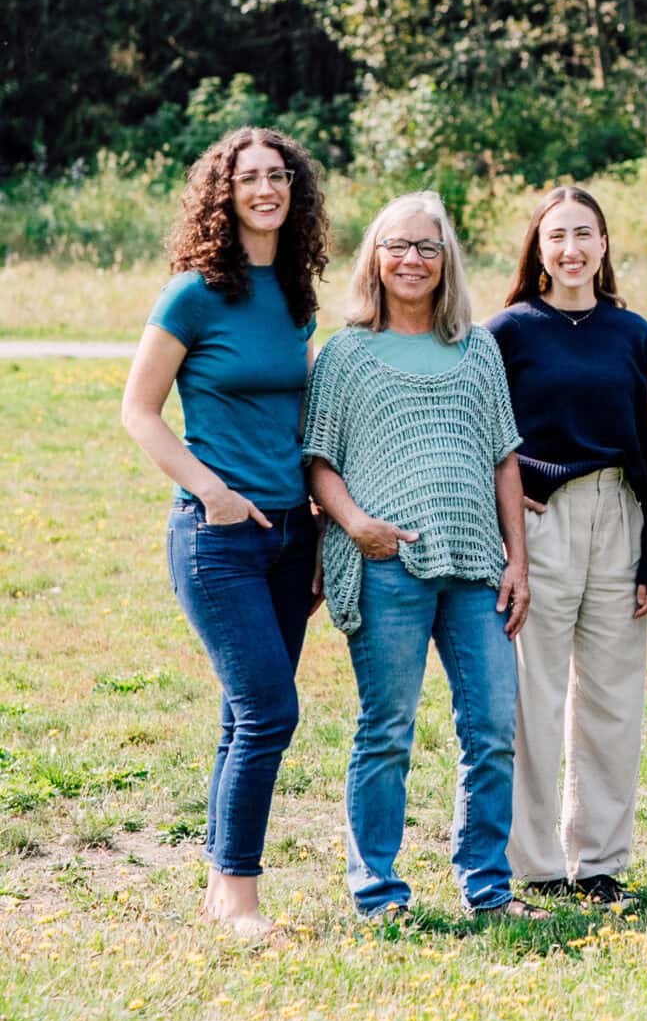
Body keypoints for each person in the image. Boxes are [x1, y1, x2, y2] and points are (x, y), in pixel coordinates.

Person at [121, 128, 330, 939]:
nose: (266, 189)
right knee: (270, 710)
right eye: (249, 178)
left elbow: (300, 414)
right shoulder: (193, 293)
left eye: (278, 176)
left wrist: (313, 517)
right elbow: (139, 412)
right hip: (218, 537)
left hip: (292, 534)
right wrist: (212, 492)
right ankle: (241, 898)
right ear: (224, 191)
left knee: (243, 718)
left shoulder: (297, 292)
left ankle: (218, 889)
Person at [303, 192, 533, 923]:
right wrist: (358, 525)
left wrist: (517, 561)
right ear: (375, 258)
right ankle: (378, 892)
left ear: (446, 262)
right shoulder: (346, 353)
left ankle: (487, 887)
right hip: (384, 565)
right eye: (397, 246)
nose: (411, 260)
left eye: (427, 248)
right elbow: (318, 463)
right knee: (388, 730)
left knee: (493, 727)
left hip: (475, 569)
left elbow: (504, 460)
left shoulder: (478, 347)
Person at [487, 185, 647, 908]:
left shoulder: (633, 334)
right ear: (538, 247)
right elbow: (479, 434)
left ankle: (597, 860)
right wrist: (506, 514)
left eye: (584, 234)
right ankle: (530, 863)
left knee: (614, 695)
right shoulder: (507, 332)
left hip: (620, 515)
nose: (571, 249)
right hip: (540, 522)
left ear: (604, 245)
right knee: (534, 693)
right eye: (557, 235)